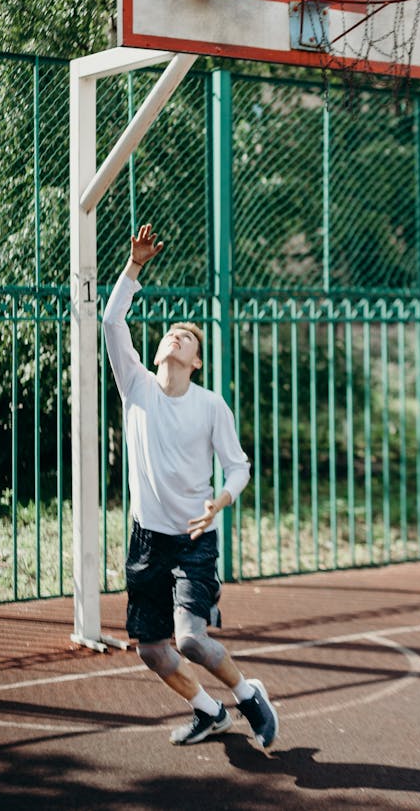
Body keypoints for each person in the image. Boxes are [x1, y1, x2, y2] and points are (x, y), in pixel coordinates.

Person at [102, 222, 278, 749]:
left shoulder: (209, 405)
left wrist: (220, 500)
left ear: (195, 361)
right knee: (153, 651)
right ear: (157, 353)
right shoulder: (135, 386)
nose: (176, 338)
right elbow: (111, 320)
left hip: (195, 540)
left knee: (191, 640)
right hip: (147, 540)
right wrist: (134, 265)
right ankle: (209, 712)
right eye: (171, 335)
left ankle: (249, 697)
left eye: (188, 339)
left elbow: (239, 467)